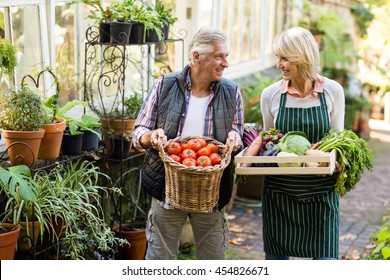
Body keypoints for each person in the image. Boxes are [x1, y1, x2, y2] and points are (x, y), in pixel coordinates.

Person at [132, 27, 244, 260]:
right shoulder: (165, 85)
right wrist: (151, 137)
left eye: (226, 56)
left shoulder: (232, 92)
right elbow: (139, 131)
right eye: (219, 56)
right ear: (196, 57)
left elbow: (236, 133)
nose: (225, 63)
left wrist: (235, 140)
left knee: (213, 260)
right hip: (167, 189)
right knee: (159, 261)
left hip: (211, 192)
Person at [244, 27, 345, 260]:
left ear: (303, 56)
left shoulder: (332, 91)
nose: (278, 63)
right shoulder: (271, 95)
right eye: (277, 57)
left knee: (326, 261)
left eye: (284, 58)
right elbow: (271, 140)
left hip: (321, 191)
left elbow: (338, 138)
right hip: (280, 192)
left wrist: (335, 160)